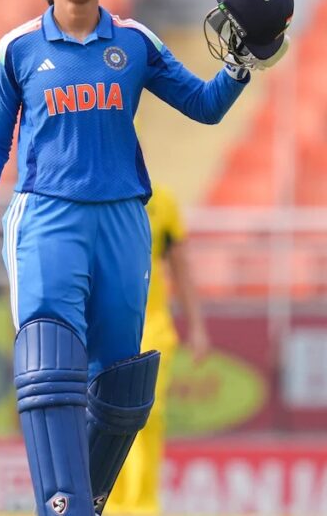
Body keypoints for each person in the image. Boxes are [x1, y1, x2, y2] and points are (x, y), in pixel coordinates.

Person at [0, 0, 292, 516]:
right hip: (47, 217)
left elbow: (202, 107)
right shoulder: (18, 48)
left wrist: (239, 66)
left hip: (125, 220)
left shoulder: (135, 42)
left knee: (123, 386)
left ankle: (82, 504)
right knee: (51, 365)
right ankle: (63, 504)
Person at [107, 187, 210, 515]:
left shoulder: (163, 203)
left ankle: (142, 504)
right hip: (108, 325)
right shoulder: (102, 195)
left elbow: (180, 268)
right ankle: (110, 501)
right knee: (106, 412)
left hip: (153, 327)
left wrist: (197, 326)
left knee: (148, 415)